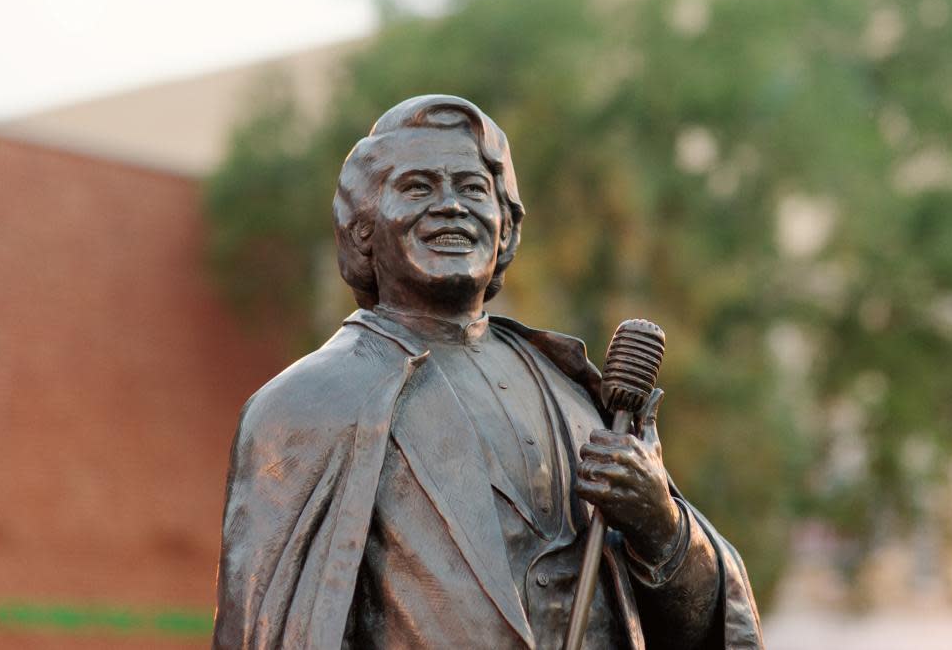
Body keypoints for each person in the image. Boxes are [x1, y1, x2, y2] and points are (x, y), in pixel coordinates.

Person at [212, 95, 762, 649]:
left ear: (507, 230)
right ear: (361, 229)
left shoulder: (578, 394)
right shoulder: (304, 407)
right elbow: (268, 631)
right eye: (418, 188)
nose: (451, 206)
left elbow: (714, 622)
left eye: (474, 189)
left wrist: (662, 528)